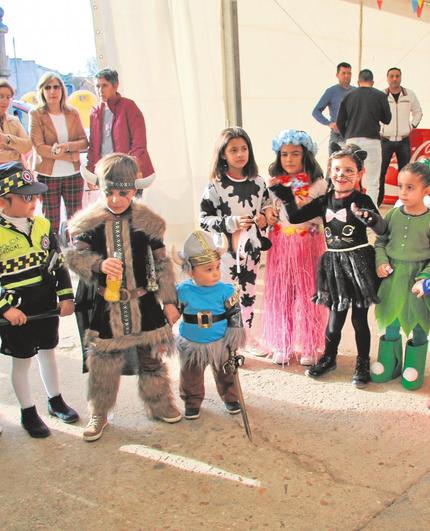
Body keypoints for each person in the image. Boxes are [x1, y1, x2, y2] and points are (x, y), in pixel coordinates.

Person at [66, 153, 181, 442]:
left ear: (134, 190)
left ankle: (159, 403)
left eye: (123, 192)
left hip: (144, 302)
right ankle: (99, 412)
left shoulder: (148, 222)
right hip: (106, 304)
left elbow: (162, 263)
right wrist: (98, 264)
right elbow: (74, 256)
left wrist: (169, 301)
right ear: (99, 189)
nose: (116, 199)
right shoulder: (88, 223)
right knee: (103, 362)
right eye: (109, 192)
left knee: (152, 358)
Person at [270, 144, 387, 388]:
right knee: (334, 319)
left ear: (359, 173)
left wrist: (370, 218)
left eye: (348, 170)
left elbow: (381, 229)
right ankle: (329, 357)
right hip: (334, 263)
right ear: (330, 171)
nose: (341, 174)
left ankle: (363, 362)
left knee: (359, 320)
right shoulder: (324, 201)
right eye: (337, 169)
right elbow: (295, 218)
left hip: (358, 262)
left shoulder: (362, 199)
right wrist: (285, 196)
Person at [0, 161, 78, 438]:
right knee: (22, 361)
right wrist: (5, 308)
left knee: (48, 353)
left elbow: (58, 264)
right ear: (3, 201)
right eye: (25, 197)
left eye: (34, 195)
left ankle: (55, 400)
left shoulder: (44, 225)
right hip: (16, 311)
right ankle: (28, 411)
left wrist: (65, 296)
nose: (33, 201)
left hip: (44, 304)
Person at [261, 129, 327, 366]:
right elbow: (266, 210)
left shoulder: (318, 185)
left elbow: (322, 217)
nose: (288, 159)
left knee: (309, 294)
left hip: (308, 244)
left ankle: (310, 344)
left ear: (306, 156)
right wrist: (267, 214)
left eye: (295, 154)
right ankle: (282, 343)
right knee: (282, 294)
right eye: (284, 154)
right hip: (281, 245)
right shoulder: (273, 185)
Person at [200, 126, 275, 333]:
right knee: (224, 297)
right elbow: (204, 219)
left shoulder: (259, 183)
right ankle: (221, 337)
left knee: (248, 295)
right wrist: (231, 222)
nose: (240, 154)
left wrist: (265, 218)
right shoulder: (215, 186)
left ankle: (245, 338)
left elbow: (266, 208)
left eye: (244, 148)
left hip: (251, 253)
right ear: (223, 154)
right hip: (224, 255)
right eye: (233, 150)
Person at [173, 230, 246, 419]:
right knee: (190, 375)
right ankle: (192, 401)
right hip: (191, 342)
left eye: (217, 267)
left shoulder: (226, 290)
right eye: (208, 270)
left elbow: (234, 314)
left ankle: (231, 398)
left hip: (220, 341)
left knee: (226, 373)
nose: (215, 274)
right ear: (190, 271)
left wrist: (234, 335)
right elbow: (173, 312)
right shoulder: (182, 290)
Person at [372, 161, 430, 390]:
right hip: (393, 278)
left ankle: (413, 366)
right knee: (390, 319)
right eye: (400, 186)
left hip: (418, 280)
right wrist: (382, 261)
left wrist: (425, 278)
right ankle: (390, 363)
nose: (403, 193)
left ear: (426, 191)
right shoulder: (393, 214)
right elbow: (381, 241)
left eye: (410, 188)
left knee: (419, 323)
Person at [29, 72, 88, 236]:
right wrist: (70, 156)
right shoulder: (35, 114)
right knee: (52, 224)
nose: (52, 91)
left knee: (77, 222)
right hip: (48, 176)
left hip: (74, 175)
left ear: (62, 90)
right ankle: (56, 259)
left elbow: (84, 142)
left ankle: (77, 258)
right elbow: (39, 147)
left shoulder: (73, 113)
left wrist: (67, 146)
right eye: (47, 87)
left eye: (56, 87)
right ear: (42, 91)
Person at [87, 68, 155, 186]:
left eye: (104, 85)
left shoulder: (128, 106)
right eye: (97, 86)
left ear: (115, 86)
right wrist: (91, 172)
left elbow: (139, 144)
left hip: (129, 173)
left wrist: (131, 169)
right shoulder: (95, 112)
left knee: (130, 204)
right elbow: (93, 147)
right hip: (105, 173)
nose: (100, 90)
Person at [336, 69, 392, 205]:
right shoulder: (380, 95)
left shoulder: (348, 95)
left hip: (352, 141)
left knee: (349, 177)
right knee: (373, 181)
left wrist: (347, 136)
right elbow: (387, 119)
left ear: (358, 82)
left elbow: (339, 122)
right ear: (372, 82)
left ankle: (348, 209)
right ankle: (369, 212)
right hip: (372, 140)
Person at [378, 67, 423, 206]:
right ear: (387, 78)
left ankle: (404, 203)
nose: (394, 79)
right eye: (391, 76)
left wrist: (412, 126)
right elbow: (374, 114)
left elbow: (418, 112)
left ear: (401, 77)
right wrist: (380, 129)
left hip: (403, 140)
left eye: (397, 76)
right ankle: (377, 202)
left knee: (406, 175)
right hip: (385, 140)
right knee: (381, 173)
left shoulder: (409, 94)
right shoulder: (381, 95)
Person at [312, 62, 355, 154]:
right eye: (343, 73)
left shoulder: (357, 91)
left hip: (353, 135)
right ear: (337, 75)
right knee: (334, 165)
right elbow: (316, 111)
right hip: (337, 136)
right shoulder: (331, 91)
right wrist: (329, 123)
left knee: (353, 165)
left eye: (349, 73)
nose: (347, 76)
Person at [0, 79, 32, 164]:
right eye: (1, 96)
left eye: (8, 97)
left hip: (15, 173)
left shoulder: (14, 120)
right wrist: (16, 155)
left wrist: (6, 139)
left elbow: (27, 146)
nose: (5, 101)